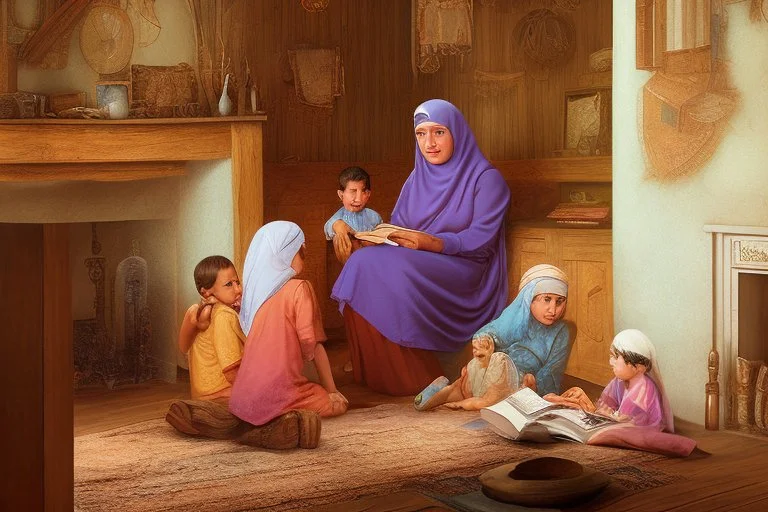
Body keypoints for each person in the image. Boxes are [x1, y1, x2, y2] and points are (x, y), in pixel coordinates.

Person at [331, 98, 511, 396]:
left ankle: (414, 376)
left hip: (465, 268)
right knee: (362, 261)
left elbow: (481, 242)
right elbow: (400, 226)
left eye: (439, 132)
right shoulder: (416, 178)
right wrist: (380, 239)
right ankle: (380, 374)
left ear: (457, 132)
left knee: (377, 265)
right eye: (421, 133)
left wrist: (431, 242)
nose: (429, 143)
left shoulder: (487, 179)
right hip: (417, 259)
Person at [229, 220, 349, 425]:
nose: (305, 254)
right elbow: (309, 340)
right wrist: (330, 388)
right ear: (288, 252)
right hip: (281, 391)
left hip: (241, 399)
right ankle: (283, 412)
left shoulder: (257, 297)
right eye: (301, 250)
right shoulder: (299, 288)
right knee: (336, 404)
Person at [545, 329, 674, 431]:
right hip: (615, 422)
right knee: (575, 395)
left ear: (639, 367)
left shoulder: (642, 389)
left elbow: (628, 424)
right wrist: (600, 410)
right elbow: (606, 405)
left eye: (616, 357)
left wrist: (606, 415)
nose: (610, 362)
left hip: (636, 431)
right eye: (611, 356)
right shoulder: (619, 382)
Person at [473, 264, 570, 396]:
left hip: (521, 387)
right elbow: (489, 334)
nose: (553, 310)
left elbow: (552, 371)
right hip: (492, 374)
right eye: (546, 300)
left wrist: (535, 384)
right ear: (529, 298)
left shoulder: (561, 331)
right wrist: (484, 342)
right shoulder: (514, 319)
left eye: (559, 302)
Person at [178, 255, 244, 401]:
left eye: (237, 282)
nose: (238, 289)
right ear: (205, 292)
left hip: (202, 394)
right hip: (221, 394)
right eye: (229, 284)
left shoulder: (209, 312)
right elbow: (232, 370)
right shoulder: (224, 315)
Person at [413, 335, 518, 411]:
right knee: (455, 389)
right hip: (467, 391)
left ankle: (438, 394)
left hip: (470, 393)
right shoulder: (474, 365)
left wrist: (459, 403)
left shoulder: (498, 361)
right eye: (474, 349)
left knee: (454, 391)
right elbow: (484, 402)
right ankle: (436, 395)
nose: (475, 351)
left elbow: (486, 402)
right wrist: (460, 402)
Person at [324, 166, 383, 264]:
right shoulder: (338, 220)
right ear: (341, 194)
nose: (358, 199)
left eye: (363, 191)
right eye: (353, 191)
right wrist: (337, 225)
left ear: (368, 194)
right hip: (351, 265)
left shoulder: (374, 217)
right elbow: (329, 227)